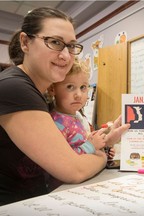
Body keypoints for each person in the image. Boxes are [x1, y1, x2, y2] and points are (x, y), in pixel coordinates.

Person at [0, 7, 130, 206]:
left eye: (71, 46)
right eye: (54, 42)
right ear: (25, 42)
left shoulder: (37, 93)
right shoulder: (16, 88)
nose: (66, 56)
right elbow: (74, 170)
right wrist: (102, 156)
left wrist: (107, 141)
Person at [46, 59, 115, 158]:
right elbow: (63, 158)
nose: (78, 95)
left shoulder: (76, 116)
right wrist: (92, 146)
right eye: (70, 87)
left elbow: (80, 145)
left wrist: (101, 148)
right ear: (52, 89)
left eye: (83, 87)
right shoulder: (56, 123)